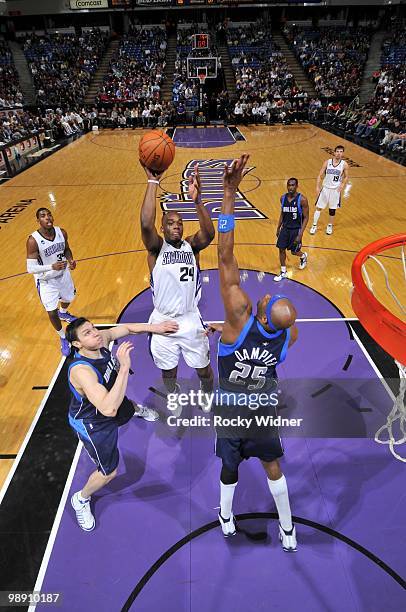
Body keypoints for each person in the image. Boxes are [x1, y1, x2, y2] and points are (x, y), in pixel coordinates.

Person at [214, 154, 298, 552]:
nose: (267, 293)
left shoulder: (238, 315)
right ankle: (287, 530)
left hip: (231, 411)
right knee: (273, 467)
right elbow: (284, 323)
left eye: (269, 298)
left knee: (229, 468)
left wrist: (229, 194)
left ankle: (226, 518)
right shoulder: (287, 338)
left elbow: (225, 256)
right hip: (262, 410)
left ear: (260, 309)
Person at [67, 316, 178, 531]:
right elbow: (108, 409)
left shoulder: (100, 341)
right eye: (87, 333)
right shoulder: (82, 370)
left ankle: (136, 410)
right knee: (109, 472)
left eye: (93, 328)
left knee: (126, 406)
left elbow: (127, 327)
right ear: (77, 344)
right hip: (94, 422)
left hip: (112, 401)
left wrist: (158, 328)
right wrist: (124, 367)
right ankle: (81, 499)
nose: (96, 333)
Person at [140, 161, 215, 409]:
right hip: (162, 321)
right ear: (162, 227)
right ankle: (174, 396)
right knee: (169, 372)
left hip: (190, 318)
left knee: (204, 369)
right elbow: (145, 224)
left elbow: (209, 234)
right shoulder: (155, 248)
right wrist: (152, 183)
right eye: (171, 223)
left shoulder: (191, 246)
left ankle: (206, 394)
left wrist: (198, 201)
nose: (177, 226)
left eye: (180, 223)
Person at [26, 208, 77, 356]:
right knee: (51, 311)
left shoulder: (62, 232)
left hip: (63, 274)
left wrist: (70, 260)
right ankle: (62, 337)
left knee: (69, 298)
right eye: (43, 216)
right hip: (46, 281)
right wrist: (51, 266)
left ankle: (64, 313)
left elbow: (67, 249)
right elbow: (30, 268)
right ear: (38, 221)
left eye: (49, 214)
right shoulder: (33, 240)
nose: (47, 217)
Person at [274, 178, 309, 282]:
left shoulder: (302, 199)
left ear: (297, 186)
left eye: (293, 185)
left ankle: (303, 256)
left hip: (296, 229)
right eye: (289, 185)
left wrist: (300, 234)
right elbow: (282, 213)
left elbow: (306, 217)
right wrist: (278, 227)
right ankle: (283, 271)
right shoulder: (282, 198)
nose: (290, 187)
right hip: (285, 228)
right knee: (281, 249)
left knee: (294, 251)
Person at [309, 145, 349, 235]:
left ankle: (329, 225)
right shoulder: (327, 162)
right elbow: (320, 175)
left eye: (341, 152)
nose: (339, 153)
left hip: (335, 190)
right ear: (334, 152)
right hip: (325, 188)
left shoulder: (344, 164)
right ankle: (314, 225)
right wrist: (317, 187)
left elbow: (346, 177)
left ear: (342, 153)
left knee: (332, 209)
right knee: (319, 208)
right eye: (337, 151)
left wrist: (342, 184)